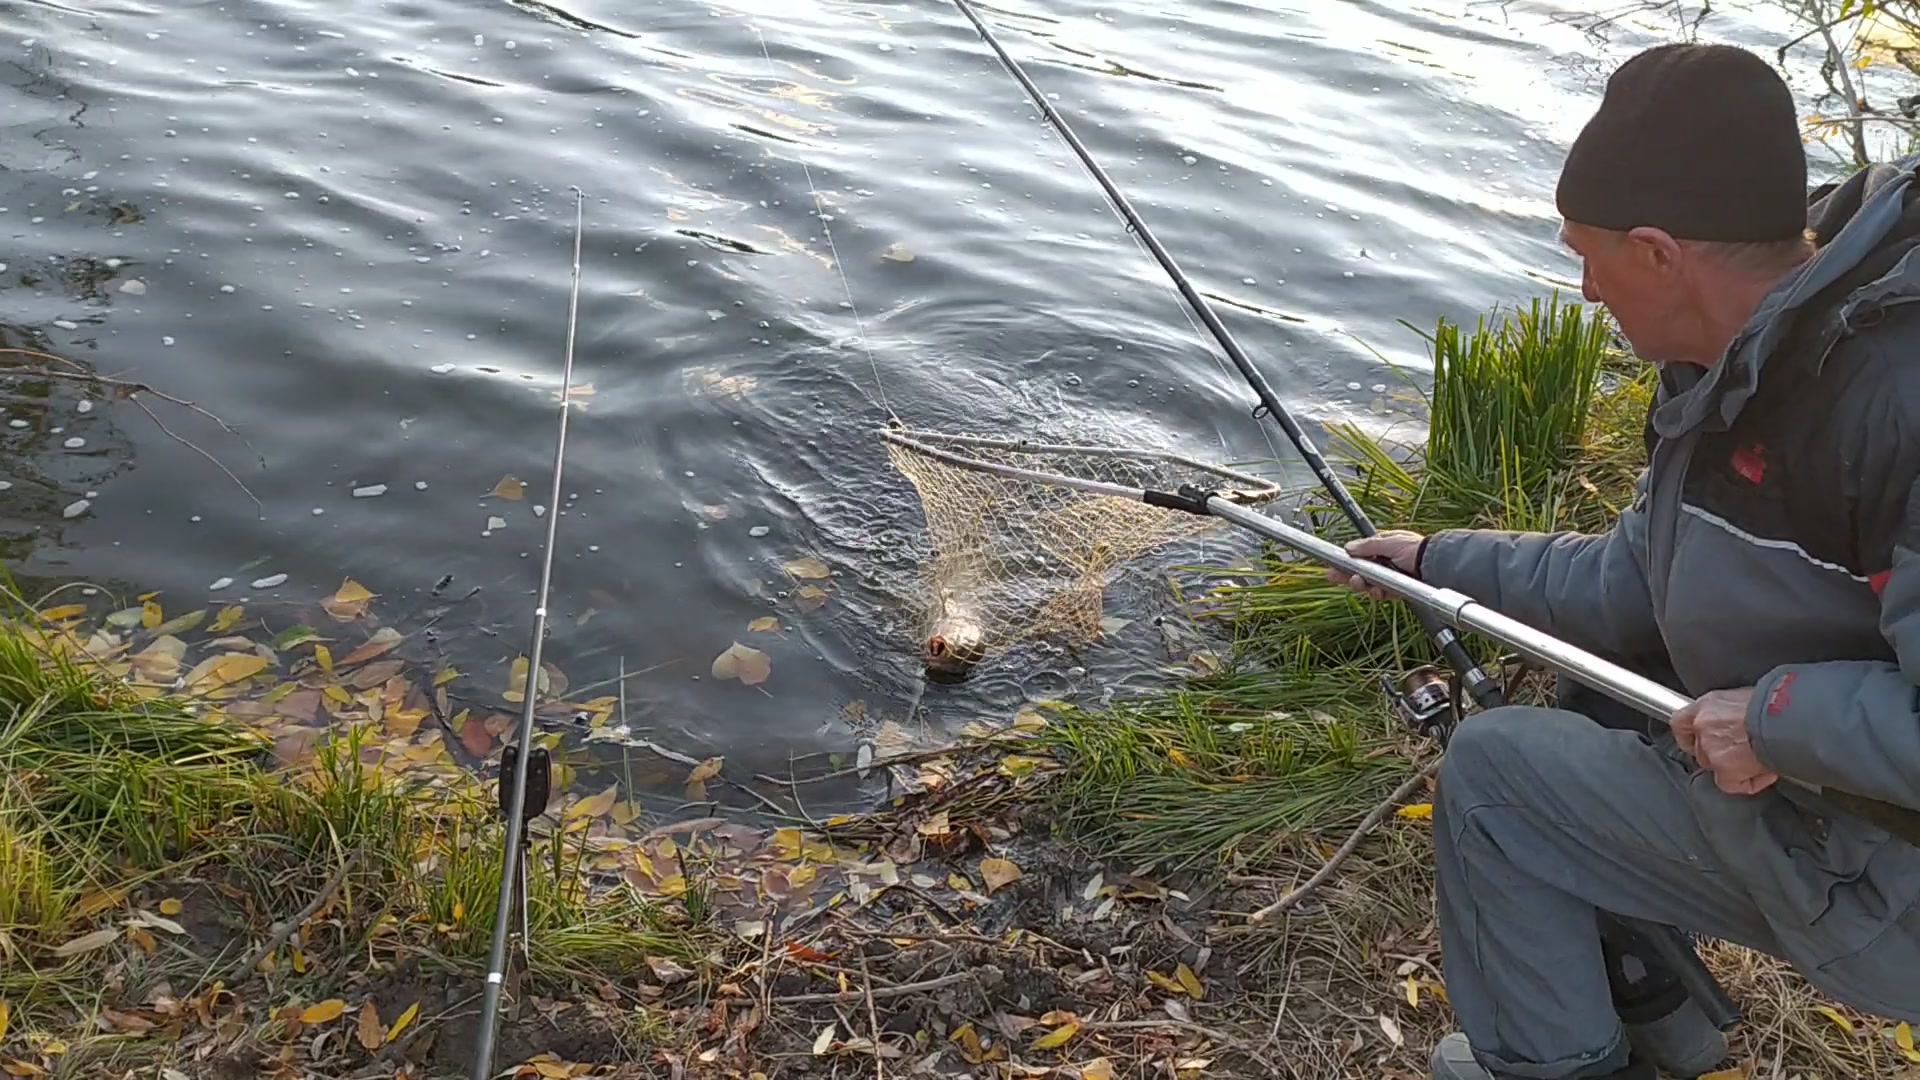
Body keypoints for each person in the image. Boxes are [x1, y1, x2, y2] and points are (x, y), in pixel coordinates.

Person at [1330, 42, 1920, 1080]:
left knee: (1497, 780)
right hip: (1864, 828)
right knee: (1599, 695)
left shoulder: (1889, 401)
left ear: (1657, 252)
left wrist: (1779, 720)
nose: (1587, 291)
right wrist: (1436, 562)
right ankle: (1666, 1039)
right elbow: (1633, 586)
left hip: (1893, 881)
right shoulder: (1752, 354)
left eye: (1586, 256)